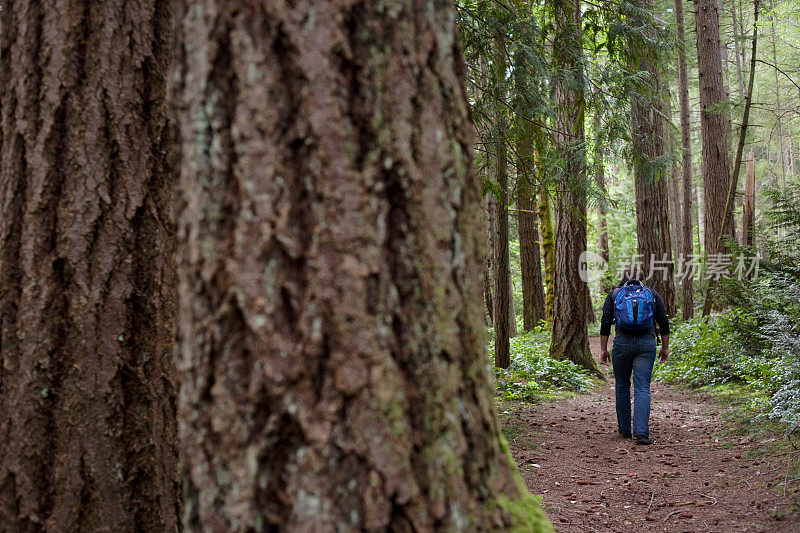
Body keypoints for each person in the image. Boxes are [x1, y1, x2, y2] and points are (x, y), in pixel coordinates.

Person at [599, 266, 670, 445]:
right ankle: (642, 433)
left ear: (623, 278)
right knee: (642, 387)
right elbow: (663, 321)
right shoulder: (652, 294)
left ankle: (624, 430)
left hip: (621, 343)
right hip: (646, 343)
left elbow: (606, 322)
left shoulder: (614, 295)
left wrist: (603, 349)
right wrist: (665, 347)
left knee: (622, 385)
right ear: (642, 278)